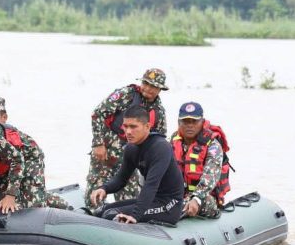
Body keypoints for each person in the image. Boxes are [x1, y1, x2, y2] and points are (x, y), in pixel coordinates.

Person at [85, 68, 169, 210]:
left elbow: (159, 138)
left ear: (160, 89)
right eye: (146, 83)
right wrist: (98, 144)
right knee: (95, 189)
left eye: (153, 86)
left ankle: (123, 223)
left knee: (130, 197)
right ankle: (91, 215)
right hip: (107, 149)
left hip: (131, 156)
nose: (148, 88)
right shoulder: (126, 94)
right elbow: (98, 114)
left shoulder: (158, 111)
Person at [90, 106, 184, 225]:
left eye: (133, 126)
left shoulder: (161, 147)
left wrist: (135, 215)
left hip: (169, 205)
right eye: (125, 126)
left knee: (111, 214)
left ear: (147, 127)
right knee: (101, 211)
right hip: (151, 201)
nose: (128, 131)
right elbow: (121, 179)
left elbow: (151, 185)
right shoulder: (131, 148)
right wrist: (104, 188)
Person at [169, 102, 231, 219]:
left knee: (197, 202)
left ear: (202, 122)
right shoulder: (173, 140)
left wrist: (196, 198)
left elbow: (210, 176)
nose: (190, 125)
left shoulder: (212, 145)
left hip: (204, 197)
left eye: (194, 121)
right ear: (179, 122)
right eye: (186, 121)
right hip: (178, 195)